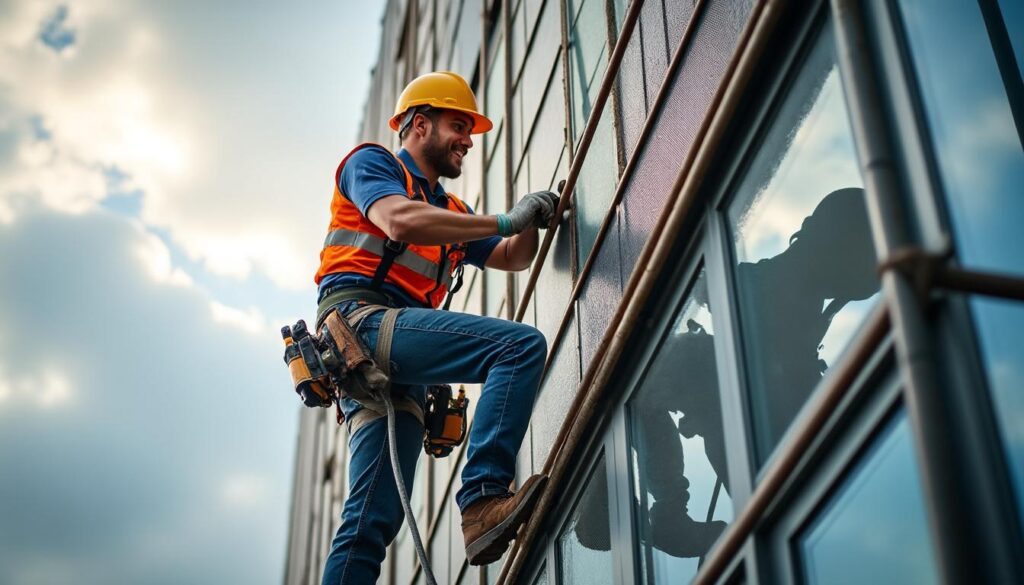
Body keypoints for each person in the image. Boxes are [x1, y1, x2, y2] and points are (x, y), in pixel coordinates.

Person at [315, 71, 557, 583]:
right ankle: (482, 501)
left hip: (394, 356)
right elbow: (399, 220)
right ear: (419, 125)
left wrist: (531, 220)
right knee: (517, 348)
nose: (468, 141)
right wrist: (505, 220)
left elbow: (511, 257)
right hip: (362, 326)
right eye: (458, 126)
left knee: (372, 518)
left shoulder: (451, 211)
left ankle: (480, 508)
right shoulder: (372, 164)